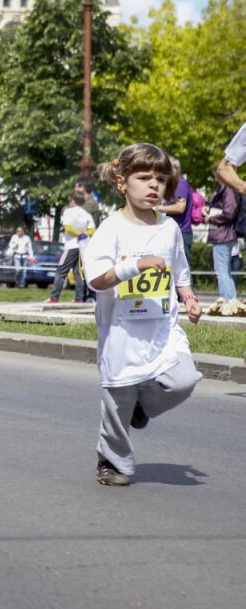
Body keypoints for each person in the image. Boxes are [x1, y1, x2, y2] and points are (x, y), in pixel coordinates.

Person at [82, 143, 202, 487]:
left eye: (161, 179)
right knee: (117, 401)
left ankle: (143, 407)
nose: (154, 185)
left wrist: (189, 298)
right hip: (122, 333)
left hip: (163, 329)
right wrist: (136, 265)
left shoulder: (169, 229)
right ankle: (113, 461)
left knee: (183, 380)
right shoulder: (111, 229)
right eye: (144, 177)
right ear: (122, 182)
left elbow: (180, 272)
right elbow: (96, 279)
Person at [47, 192, 95, 304]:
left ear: (72, 200)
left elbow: (67, 228)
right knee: (78, 273)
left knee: (60, 271)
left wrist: (77, 232)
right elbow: (93, 230)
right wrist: (84, 233)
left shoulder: (68, 211)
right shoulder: (87, 214)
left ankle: (54, 298)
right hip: (82, 247)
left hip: (70, 246)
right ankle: (79, 298)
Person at [205, 183, 239, 304]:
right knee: (224, 270)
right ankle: (231, 300)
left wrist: (211, 218)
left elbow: (229, 212)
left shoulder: (227, 189)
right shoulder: (228, 189)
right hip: (224, 234)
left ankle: (228, 300)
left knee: (221, 271)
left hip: (222, 235)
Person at [157, 158, 194, 264]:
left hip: (181, 231)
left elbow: (180, 207)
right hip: (175, 230)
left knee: (182, 268)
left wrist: (159, 208)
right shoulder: (174, 186)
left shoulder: (180, 184)